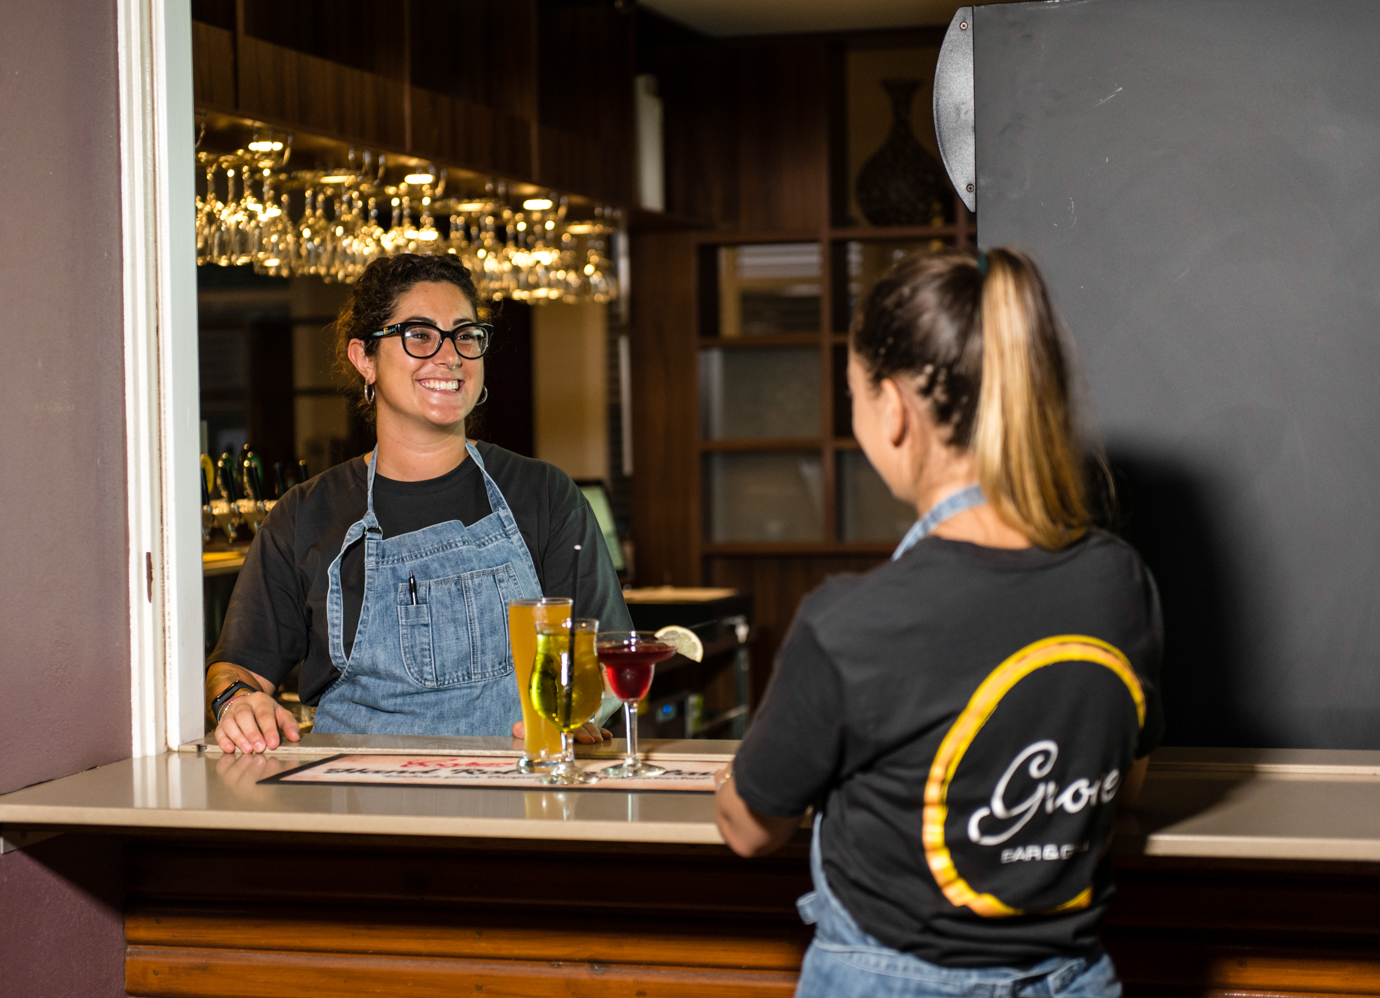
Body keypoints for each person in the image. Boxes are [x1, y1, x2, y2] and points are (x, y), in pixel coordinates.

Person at [714, 248, 1163, 997]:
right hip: (1075, 979)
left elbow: (748, 829)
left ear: (893, 410)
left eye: (853, 394)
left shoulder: (851, 621)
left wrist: (740, 777)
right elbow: (1128, 783)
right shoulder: (1121, 582)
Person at [205, 253, 632, 753]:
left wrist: (579, 711)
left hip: (516, 788)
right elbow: (237, 669)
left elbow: (604, 655)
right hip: (356, 793)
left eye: (465, 335)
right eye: (419, 335)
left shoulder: (543, 494)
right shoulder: (305, 515)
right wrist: (237, 702)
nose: (449, 356)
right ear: (364, 358)